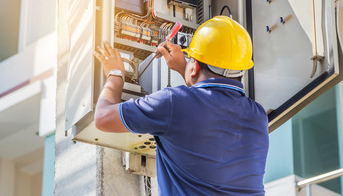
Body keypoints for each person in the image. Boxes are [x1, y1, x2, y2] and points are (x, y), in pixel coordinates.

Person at [93, 16, 269, 196]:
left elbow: (103, 118)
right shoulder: (258, 117)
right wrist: (185, 67)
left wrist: (115, 72)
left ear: (194, 68)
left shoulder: (173, 104)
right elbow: (205, 108)